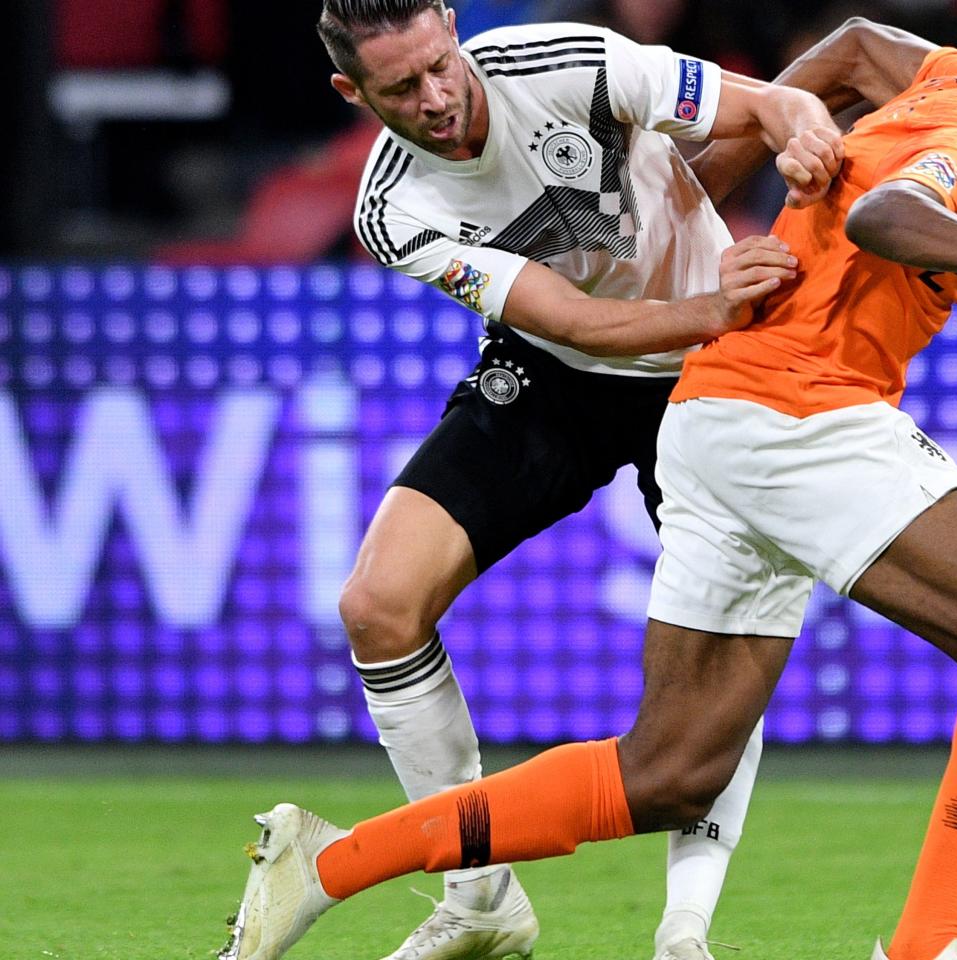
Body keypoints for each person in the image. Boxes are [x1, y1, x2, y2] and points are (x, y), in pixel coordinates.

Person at [215, 16, 957, 960]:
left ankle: (330, 863)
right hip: (794, 409)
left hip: (707, 413)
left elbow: (853, 46)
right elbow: (884, 213)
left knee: (668, 771)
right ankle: (923, 948)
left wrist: (723, 171)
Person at [258, 4, 845, 960]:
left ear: (451, 27)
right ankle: (479, 899)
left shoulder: (567, 59)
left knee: (719, 664)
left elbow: (771, 108)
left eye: (439, 66)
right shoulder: (392, 205)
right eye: (401, 90)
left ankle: (683, 932)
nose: (438, 98)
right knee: (378, 605)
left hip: (706, 380)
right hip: (564, 375)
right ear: (350, 93)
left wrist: (804, 137)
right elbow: (571, 319)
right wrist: (714, 307)